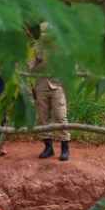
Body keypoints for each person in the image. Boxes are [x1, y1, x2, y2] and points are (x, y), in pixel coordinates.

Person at [31, 24, 71, 162]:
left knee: (60, 116)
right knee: (42, 118)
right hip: (41, 85)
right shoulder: (37, 47)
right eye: (43, 32)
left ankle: (65, 147)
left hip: (58, 85)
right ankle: (48, 147)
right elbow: (30, 67)